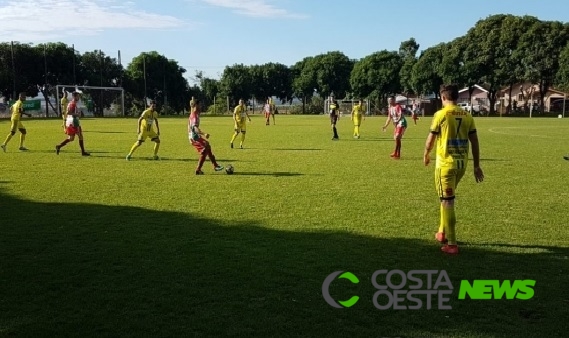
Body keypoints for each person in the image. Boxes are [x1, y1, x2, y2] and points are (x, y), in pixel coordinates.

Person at [423, 84, 484, 255]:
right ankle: (442, 232)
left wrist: (426, 153)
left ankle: (452, 243)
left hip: (445, 165)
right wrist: (476, 165)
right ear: (457, 97)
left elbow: (430, 139)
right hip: (461, 165)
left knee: (447, 201)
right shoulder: (467, 115)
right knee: (446, 198)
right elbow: (475, 141)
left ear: (443, 97)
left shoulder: (440, 114)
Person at [189, 99, 224, 175]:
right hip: (194, 137)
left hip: (195, 136)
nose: (201, 106)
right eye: (200, 105)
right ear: (196, 105)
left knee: (207, 146)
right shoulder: (194, 115)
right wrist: (204, 134)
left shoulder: (196, 114)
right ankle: (199, 169)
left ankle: (215, 165)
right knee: (204, 149)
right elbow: (195, 128)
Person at [55, 91, 90, 156]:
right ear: (74, 96)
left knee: (71, 138)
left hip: (71, 122)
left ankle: (59, 146)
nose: (78, 97)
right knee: (80, 136)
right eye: (77, 96)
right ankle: (83, 152)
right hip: (74, 122)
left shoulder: (72, 103)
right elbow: (68, 112)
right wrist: (76, 114)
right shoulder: (72, 103)